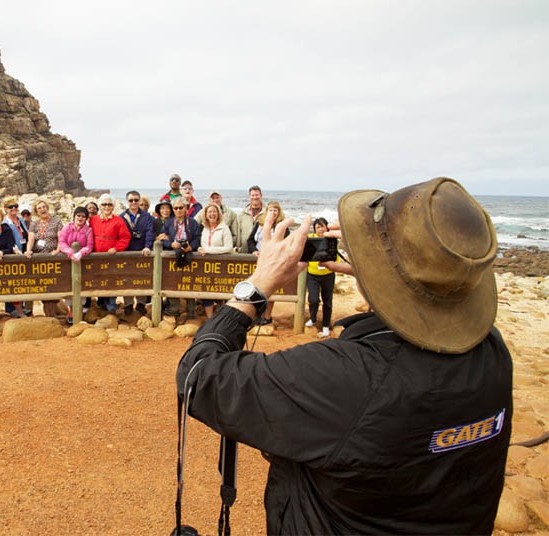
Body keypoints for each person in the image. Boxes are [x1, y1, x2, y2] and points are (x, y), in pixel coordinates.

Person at [177, 177, 511, 534]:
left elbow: (198, 376)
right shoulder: (492, 354)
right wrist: (387, 280)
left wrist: (256, 286)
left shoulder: (347, 376)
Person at [90, 194, 131, 313]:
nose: (107, 207)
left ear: (113, 206)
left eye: (109, 204)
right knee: (99, 279)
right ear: (100, 206)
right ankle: (101, 304)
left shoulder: (119, 221)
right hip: (96, 257)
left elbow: (125, 238)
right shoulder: (93, 220)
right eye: (104, 204)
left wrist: (116, 248)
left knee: (112, 280)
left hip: (112, 257)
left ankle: (112, 306)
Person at [162, 197, 201, 318]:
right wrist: (170, 244)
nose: (178, 210)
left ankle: (190, 312)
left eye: (181, 207)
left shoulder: (193, 223)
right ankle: (174, 309)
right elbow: (161, 239)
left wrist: (191, 247)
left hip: (189, 256)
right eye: (175, 208)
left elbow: (198, 238)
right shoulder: (168, 223)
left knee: (189, 282)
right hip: (172, 257)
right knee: (172, 282)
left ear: (186, 208)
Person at [247, 201, 284, 325]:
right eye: (270, 210)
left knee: (269, 288)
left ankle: (267, 317)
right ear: (266, 211)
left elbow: (286, 242)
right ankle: (257, 314)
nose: (273, 213)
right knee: (257, 288)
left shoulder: (282, 225)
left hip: (273, 261)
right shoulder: (259, 223)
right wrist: (254, 250)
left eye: (275, 210)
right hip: (259, 260)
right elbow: (250, 240)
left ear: (278, 212)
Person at [24, 198, 63, 317]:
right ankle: (32, 312)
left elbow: (61, 237)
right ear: (36, 211)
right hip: (38, 257)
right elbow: (31, 239)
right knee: (40, 284)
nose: (42, 209)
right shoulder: (34, 224)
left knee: (52, 285)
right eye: (39, 208)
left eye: (43, 207)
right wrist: (28, 250)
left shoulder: (56, 221)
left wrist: (57, 250)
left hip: (52, 257)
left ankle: (52, 314)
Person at [120, 190, 155, 315]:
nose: (133, 202)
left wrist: (147, 246)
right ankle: (128, 304)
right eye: (131, 200)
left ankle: (141, 303)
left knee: (142, 278)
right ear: (127, 202)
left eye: (136, 200)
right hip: (126, 252)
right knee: (127, 279)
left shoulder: (147, 217)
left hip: (142, 252)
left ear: (139, 201)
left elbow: (150, 232)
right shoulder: (121, 216)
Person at [197, 203, 233, 318]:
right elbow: (203, 245)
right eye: (209, 212)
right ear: (206, 215)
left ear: (218, 214)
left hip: (221, 266)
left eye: (214, 212)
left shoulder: (224, 228)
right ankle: (210, 319)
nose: (212, 214)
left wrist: (209, 250)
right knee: (206, 290)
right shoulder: (205, 228)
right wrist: (200, 249)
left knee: (220, 291)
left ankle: (223, 318)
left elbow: (229, 247)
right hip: (207, 266)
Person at [59, 206, 94, 323]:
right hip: (68, 262)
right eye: (78, 215)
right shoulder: (67, 228)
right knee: (70, 285)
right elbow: (62, 242)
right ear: (74, 216)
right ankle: (71, 310)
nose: (80, 218)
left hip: (82, 262)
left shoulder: (88, 230)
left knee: (81, 285)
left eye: (83, 216)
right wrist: (70, 253)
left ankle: (79, 311)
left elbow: (89, 246)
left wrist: (80, 253)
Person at [306, 217, 337, 339]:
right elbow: (306, 255)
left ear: (327, 227)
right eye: (317, 227)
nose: (320, 229)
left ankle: (325, 326)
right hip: (312, 275)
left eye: (322, 226)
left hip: (328, 275)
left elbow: (336, 257)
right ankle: (313, 319)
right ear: (314, 229)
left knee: (327, 301)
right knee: (313, 299)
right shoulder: (311, 239)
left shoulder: (332, 240)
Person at [235, 185, 264, 253]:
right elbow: (238, 232)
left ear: (261, 196)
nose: (255, 197)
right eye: (252, 195)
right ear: (249, 196)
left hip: (260, 250)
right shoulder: (242, 214)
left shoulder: (267, 213)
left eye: (257, 195)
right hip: (244, 249)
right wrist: (238, 247)